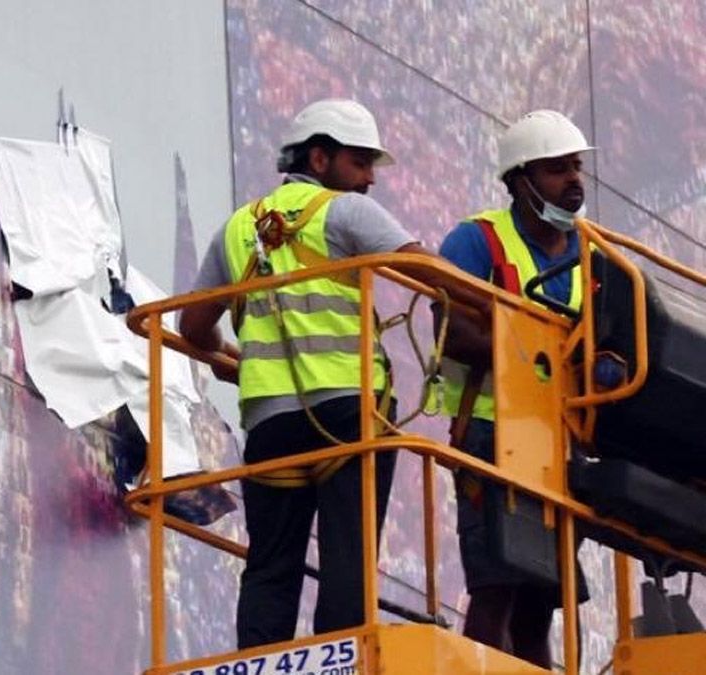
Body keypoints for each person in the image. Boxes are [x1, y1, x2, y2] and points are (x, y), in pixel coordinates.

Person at [180, 98, 439, 649]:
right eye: (361, 161)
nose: (370, 177)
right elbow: (425, 269)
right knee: (349, 551)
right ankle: (339, 659)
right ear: (319, 159)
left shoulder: (235, 230)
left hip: (272, 422)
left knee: (271, 560)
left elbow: (192, 327)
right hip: (349, 411)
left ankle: (259, 659)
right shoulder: (344, 212)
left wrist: (236, 363)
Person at [437, 109, 592, 668]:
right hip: (489, 434)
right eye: (557, 169)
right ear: (519, 180)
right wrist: (539, 355)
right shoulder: (477, 241)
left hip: (558, 443)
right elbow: (449, 329)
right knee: (497, 585)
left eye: (576, 167)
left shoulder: (593, 255)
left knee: (540, 601)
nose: (573, 180)